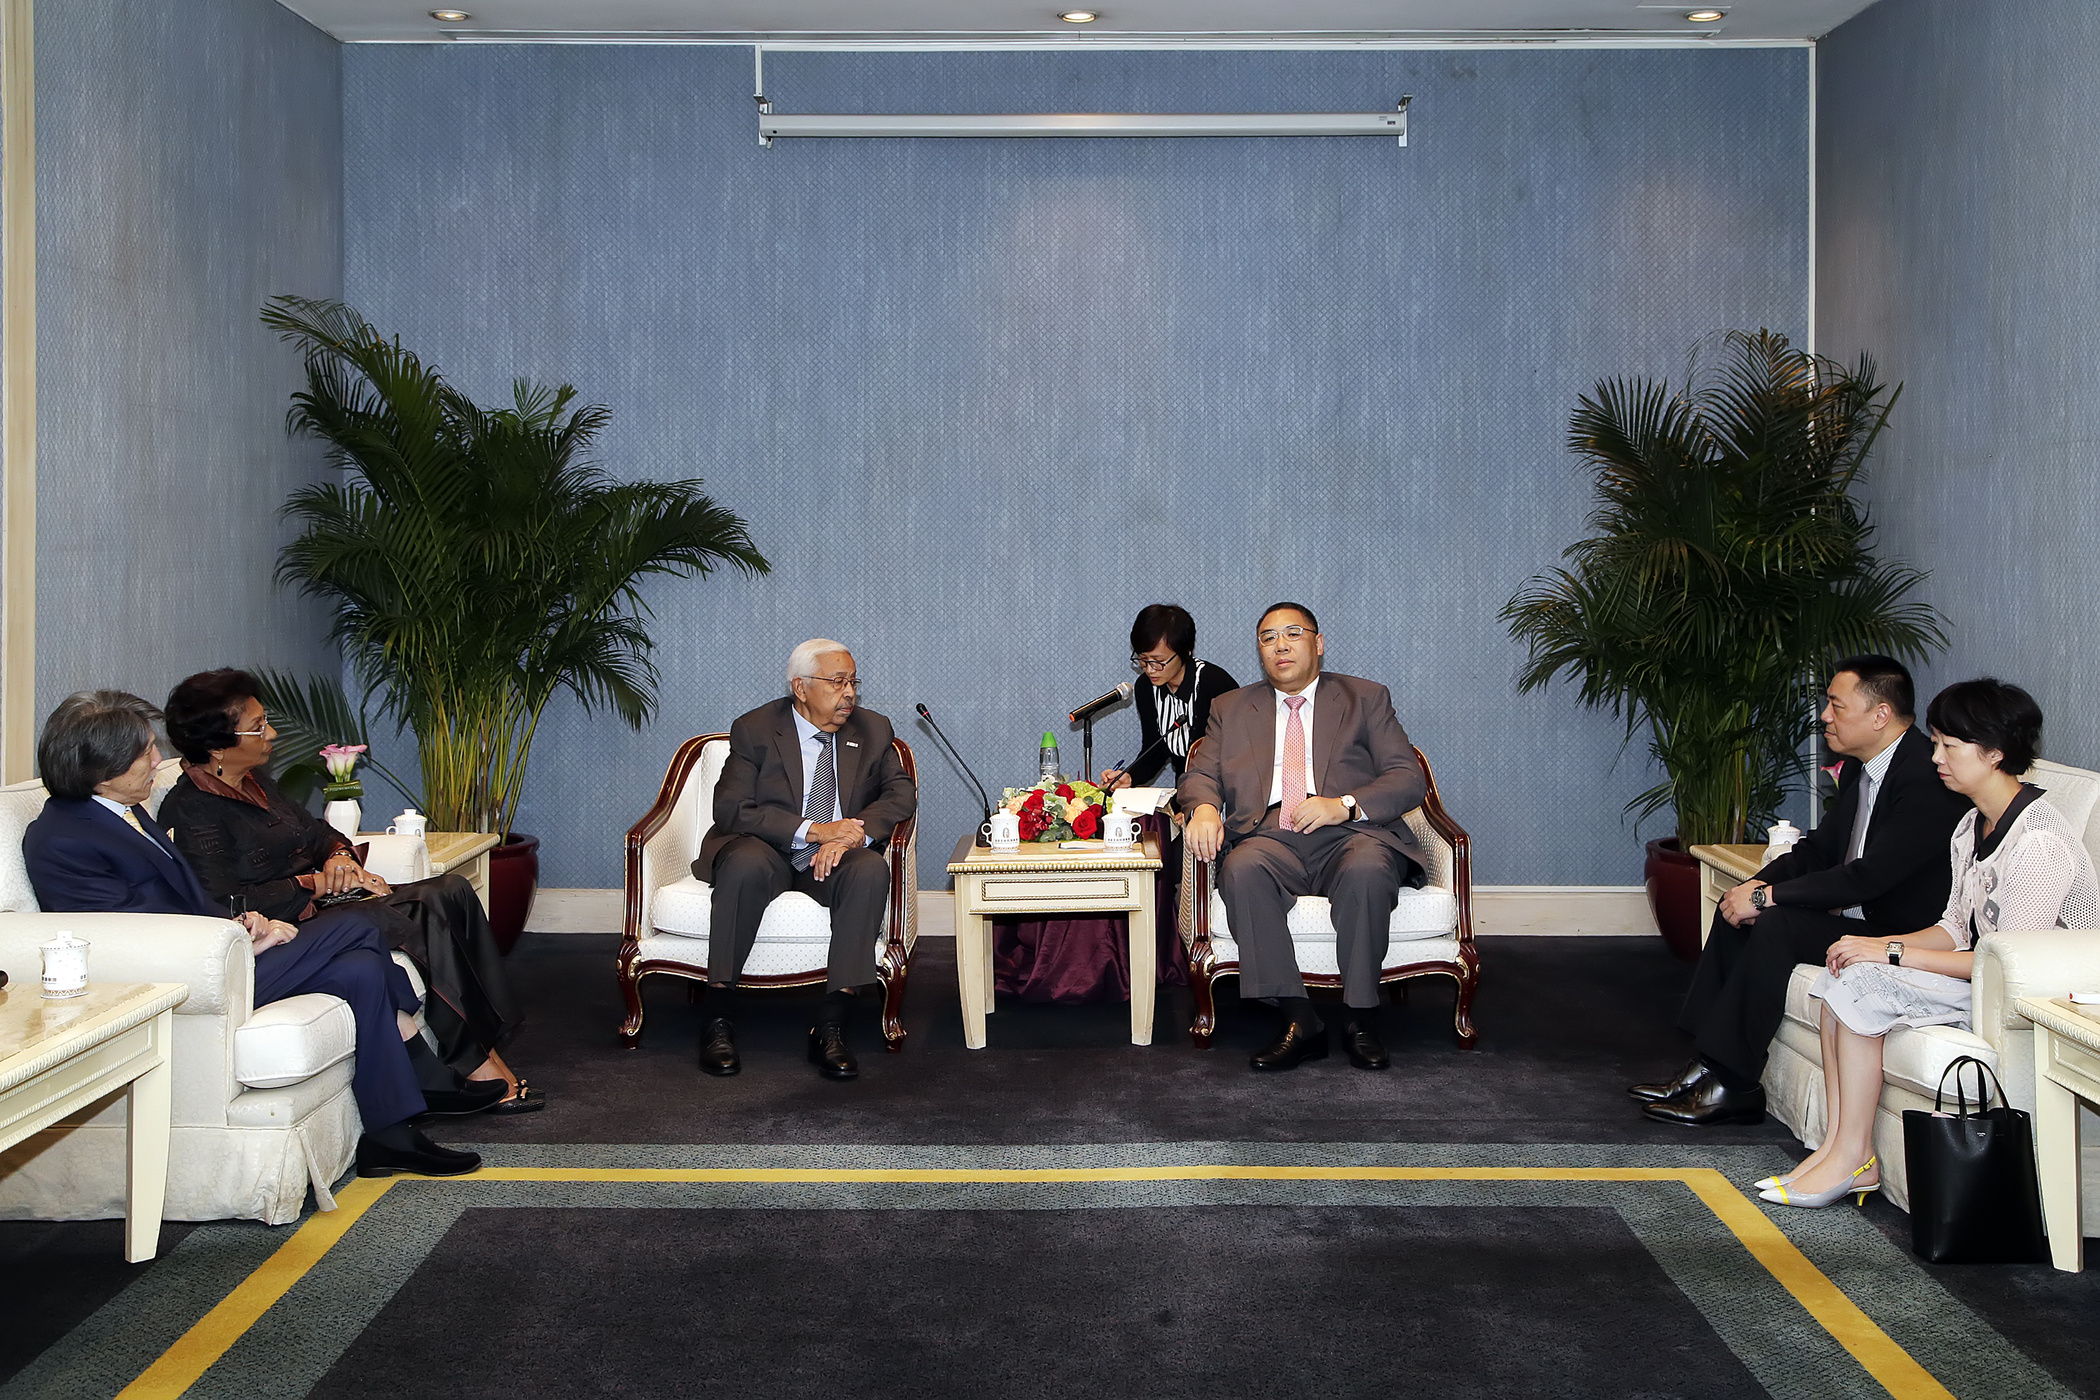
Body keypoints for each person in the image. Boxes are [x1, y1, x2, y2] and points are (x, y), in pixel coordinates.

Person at [21, 690, 492, 1178]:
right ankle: (420, 1057)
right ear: (102, 772)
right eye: (145, 753)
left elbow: (188, 899)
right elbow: (129, 937)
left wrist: (244, 925)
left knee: (361, 969)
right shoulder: (63, 839)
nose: (159, 760)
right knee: (357, 923)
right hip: (185, 981)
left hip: (215, 952)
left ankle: (390, 1138)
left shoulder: (122, 810)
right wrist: (236, 942)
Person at [1763, 679, 2098, 1207]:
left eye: (1949, 745)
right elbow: (1954, 928)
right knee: (1842, 974)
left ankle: (1853, 1157)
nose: (1935, 756)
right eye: (1936, 742)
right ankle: (1838, 1146)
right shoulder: (1970, 825)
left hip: (2034, 999)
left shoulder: (2038, 842)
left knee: (1864, 987)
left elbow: (2009, 968)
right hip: (1985, 974)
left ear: (1994, 753)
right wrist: (1872, 945)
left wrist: (1890, 952)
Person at [156, 669, 543, 1114]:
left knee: (451, 889)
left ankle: (486, 1042)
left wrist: (340, 859)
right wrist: (312, 883)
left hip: (331, 903)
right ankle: (478, 1063)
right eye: (259, 727)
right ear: (218, 746)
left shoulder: (256, 784)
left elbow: (317, 832)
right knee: (425, 907)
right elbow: (227, 903)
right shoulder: (192, 812)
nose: (272, 734)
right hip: (293, 924)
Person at [1635, 656, 1973, 1126]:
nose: (1825, 716)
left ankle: (1733, 1083)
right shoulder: (1861, 769)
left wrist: (1768, 898)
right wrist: (1755, 887)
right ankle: (1707, 1065)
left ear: (1880, 715)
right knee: (1737, 911)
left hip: (1901, 932)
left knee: (1776, 921)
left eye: (1837, 705)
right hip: (1860, 917)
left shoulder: (1925, 777)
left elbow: (1869, 876)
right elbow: (1819, 850)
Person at [1178, 602, 1429, 1072]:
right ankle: (1300, 1019)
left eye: (1293, 633)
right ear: (1260, 651)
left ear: (1318, 643)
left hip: (1351, 832)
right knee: (1241, 869)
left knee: (1368, 869)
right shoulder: (1231, 708)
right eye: (1268, 637)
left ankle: (1360, 1019)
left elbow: (1406, 777)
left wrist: (1344, 804)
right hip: (1270, 835)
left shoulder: (1365, 697)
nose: (1281, 645)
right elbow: (1200, 775)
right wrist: (1205, 807)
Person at [693, 638, 917, 1080]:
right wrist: (815, 830)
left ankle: (831, 1025)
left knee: (870, 869)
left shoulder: (872, 729)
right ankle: (717, 1019)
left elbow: (900, 794)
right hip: (767, 847)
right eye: (837, 682)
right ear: (800, 687)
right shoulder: (756, 728)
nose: (849, 693)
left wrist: (852, 833)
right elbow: (732, 808)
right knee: (743, 865)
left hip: (836, 855)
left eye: (853, 682)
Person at [1100, 604, 1239, 790]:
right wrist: (1130, 777)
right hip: (1183, 791)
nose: (1150, 670)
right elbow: (1155, 750)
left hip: (1222, 791)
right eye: (1143, 660)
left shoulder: (1216, 684)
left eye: (1158, 661)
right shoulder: (1145, 687)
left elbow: (1237, 755)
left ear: (1185, 652)